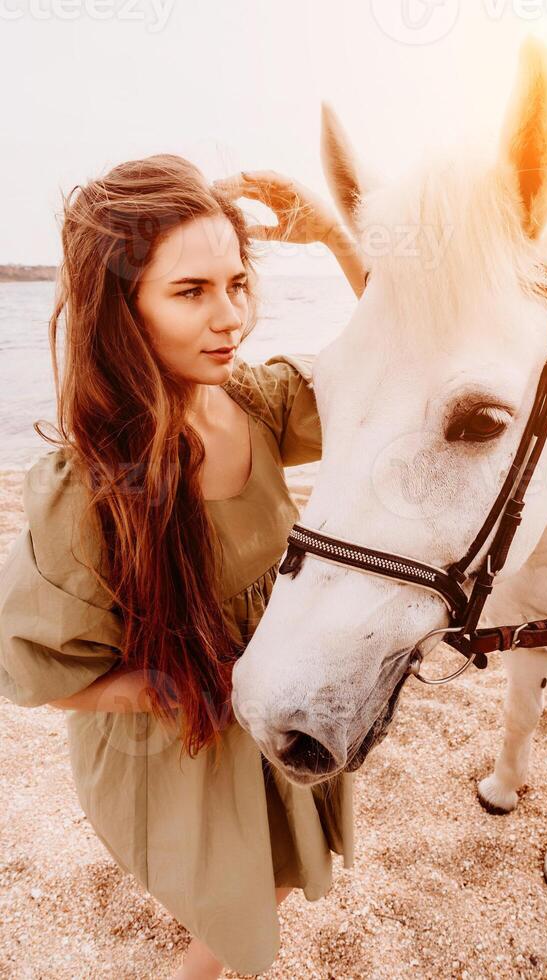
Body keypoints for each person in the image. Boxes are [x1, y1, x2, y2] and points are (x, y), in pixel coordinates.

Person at [0, 153, 366, 978]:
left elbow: (398, 356)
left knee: (276, 861)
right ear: (122, 308)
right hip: (186, 740)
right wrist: (161, 687)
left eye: (238, 283)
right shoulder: (91, 486)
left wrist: (336, 237)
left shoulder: (259, 404)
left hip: (276, 694)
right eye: (190, 292)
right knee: (240, 896)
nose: (230, 317)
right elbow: (33, 673)